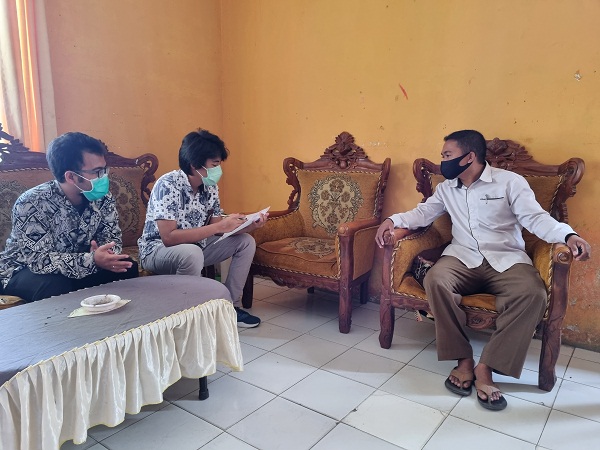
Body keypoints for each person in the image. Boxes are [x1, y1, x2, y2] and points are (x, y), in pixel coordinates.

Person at [375, 130, 591, 411]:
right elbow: (422, 213)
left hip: (507, 259)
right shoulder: (446, 188)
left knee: (533, 294)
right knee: (436, 280)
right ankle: (463, 359)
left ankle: (487, 367)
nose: (443, 162)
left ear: (469, 157)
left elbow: (536, 218)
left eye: (447, 155)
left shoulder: (510, 182)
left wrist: (568, 236)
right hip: (462, 257)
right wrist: (392, 220)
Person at [137, 129, 267, 328]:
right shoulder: (167, 185)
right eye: (214, 164)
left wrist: (248, 225)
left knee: (246, 243)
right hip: (157, 251)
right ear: (195, 164)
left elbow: (218, 229)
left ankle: (229, 306)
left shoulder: (210, 187)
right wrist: (220, 225)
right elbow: (169, 237)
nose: (218, 170)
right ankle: (187, 315)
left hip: (197, 247)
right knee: (192, 253)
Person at [0, 132, 138, 302]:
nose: (104, 177)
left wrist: (106, 254)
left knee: (127, 267)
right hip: (22, 269)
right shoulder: (31, 202)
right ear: (71, 176)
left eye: (104, 169)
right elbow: (39, 261)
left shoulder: (103, 197)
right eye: (97, 172)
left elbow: (112, 238)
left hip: (81, 263)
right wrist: (91, 260)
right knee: (54, 285)